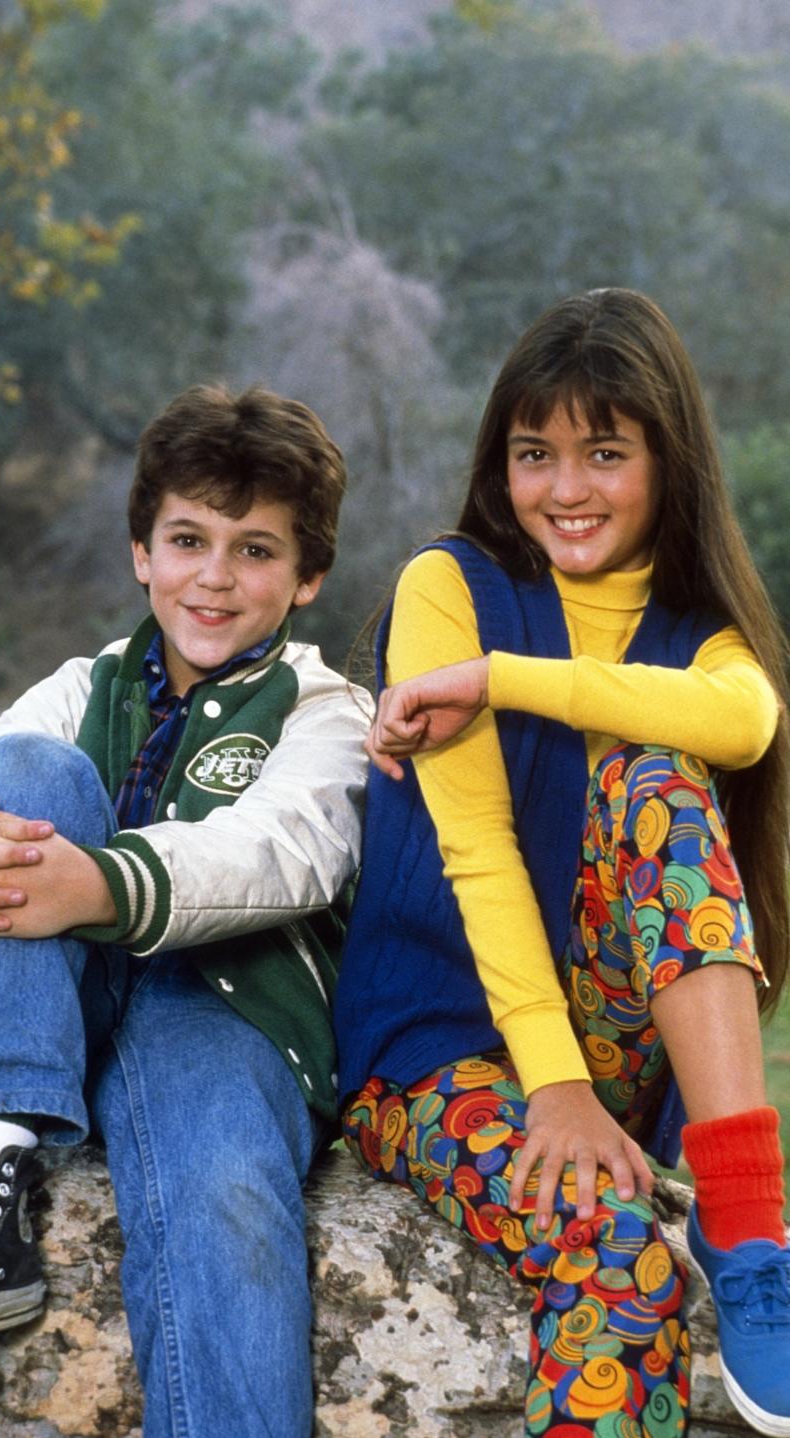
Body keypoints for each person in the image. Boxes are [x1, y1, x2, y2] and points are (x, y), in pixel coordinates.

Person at [0, 383, 371, 1438]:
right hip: (51, 1011)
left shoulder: (324, 712)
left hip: (223, 1011)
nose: (214, 576)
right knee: (25, 769)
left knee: (222, 1192)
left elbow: (278, 855)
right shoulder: (82, 685)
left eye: (256, 550)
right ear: (141, 552)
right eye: (187, 539)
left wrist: (100, 885)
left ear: (309, 577)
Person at [334, 288, 790, 1438]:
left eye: (605, 451)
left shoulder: (703, 629)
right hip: (437, 1047)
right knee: (618, 1253)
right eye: (536, 453)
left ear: (666, 460)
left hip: (614, 1047)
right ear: (503, 461)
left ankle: (744, 1220)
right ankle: (706, 1221)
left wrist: (498, 681)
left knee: (656, 774)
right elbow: (478, 851)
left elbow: (744, 724)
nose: (566, 488)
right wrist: (555, 1086)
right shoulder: (452, 587)